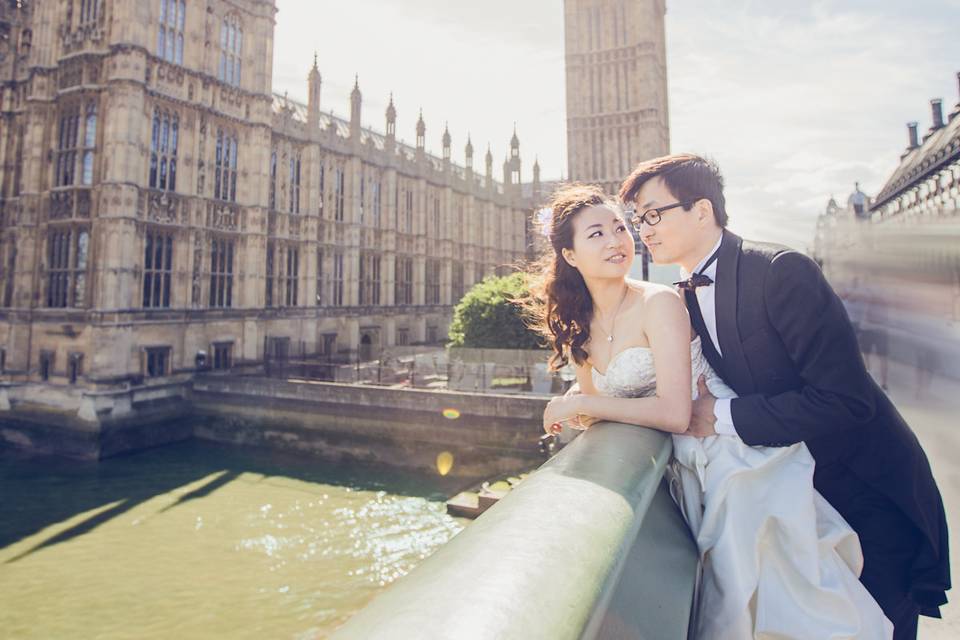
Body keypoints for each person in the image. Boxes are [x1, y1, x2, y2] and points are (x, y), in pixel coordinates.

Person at [524, 183, 893, 639]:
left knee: (754, 592)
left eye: (621, 227)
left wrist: (580, 402)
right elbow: (600, 417)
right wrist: (590, 406)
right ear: (570, 255)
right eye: (597, 234)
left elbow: (676, 413)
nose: (617, 240)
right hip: (680, 464)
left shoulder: (658, 302)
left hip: (724, 453)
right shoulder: (578, 324)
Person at [618, 154, 950, 640]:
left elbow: (846, 400)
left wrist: (723, 416)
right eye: (637, 219)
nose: (643, 229)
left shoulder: (779, 271)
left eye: (653, 214)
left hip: (861, 495)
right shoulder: (681, 298)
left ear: (703, 211)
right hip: (794, 502)